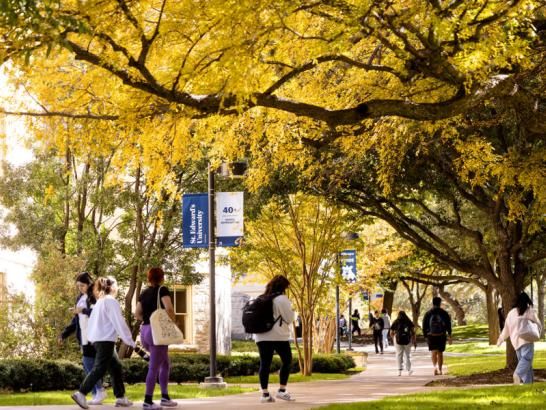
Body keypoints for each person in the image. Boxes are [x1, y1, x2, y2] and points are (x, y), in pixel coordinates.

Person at [71, 276, 135, 409]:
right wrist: (130, 341)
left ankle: (121, 397)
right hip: (105, 340)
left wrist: (91, 338)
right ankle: (81, 393)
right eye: (116, 286)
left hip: (99, 340)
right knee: (99, 368)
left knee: (115, 367)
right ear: (112, 287)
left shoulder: (101, 301)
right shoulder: (110, 301)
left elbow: (93, 321)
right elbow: (119, 323)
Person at [59, 272, 107, 405]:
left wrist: (82, 311)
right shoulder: (80, 298)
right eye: (78, 286)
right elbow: (76, 320)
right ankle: (96, 393)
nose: (80, 288)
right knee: (88, 366)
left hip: (94, 336)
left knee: (89, 364)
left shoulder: (94, 297)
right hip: (84, 337)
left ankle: (100, 390)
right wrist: (64, 334)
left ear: (89, 284)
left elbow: (98, 314)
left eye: (82, 285)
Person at [135, 267, 178, 409]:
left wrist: (149, 319)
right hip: (157, 333)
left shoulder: (144, 293)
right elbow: (169, 309)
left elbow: (137, 314)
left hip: (145, 331)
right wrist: (171, 323)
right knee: (153, 368)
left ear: (148, 278)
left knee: (165, 364)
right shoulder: (162, 290)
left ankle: (165, 397)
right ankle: (147, 401)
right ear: (162, 278)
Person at [254, 275, 295, 403]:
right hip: (278, 336)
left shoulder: (261, 298)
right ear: (283, 287)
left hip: (261, 336)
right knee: (287, 361)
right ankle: (282, 391)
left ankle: (265, 395)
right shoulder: (282, 299)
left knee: (264, 364)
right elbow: (289, 319)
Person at [497, 292, 542, 384]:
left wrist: (500, 339)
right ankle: (517, 374)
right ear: (527, 301)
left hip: (516, 343)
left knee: (527, 365)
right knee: (527, 360)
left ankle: (528, 385)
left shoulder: (511, 313)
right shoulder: (529, 310)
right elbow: (538, 323)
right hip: (527, 340)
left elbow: (506, 329)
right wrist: (538, 331)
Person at [422, 297, 452, 375]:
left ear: (433, 303)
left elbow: (424, 325)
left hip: (431, 335)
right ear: (440, 303)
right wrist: (449, 334)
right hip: (441, 335)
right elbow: (448, 324)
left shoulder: (428, 313)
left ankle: (434, 368)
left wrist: (425, 335)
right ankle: (440, 369)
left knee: (433, 352)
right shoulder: (444, 313)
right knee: (440, 353)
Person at [390, 311, 416, 376]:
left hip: (398, 340)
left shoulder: (396, 321)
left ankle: (399, 371)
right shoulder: (409, 321)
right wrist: (414, 341)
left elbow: (391, 333)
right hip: (407, 340)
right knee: (408, 355)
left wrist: (394, 338)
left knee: (399, 355)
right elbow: (413, 332)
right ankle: (409, 370)